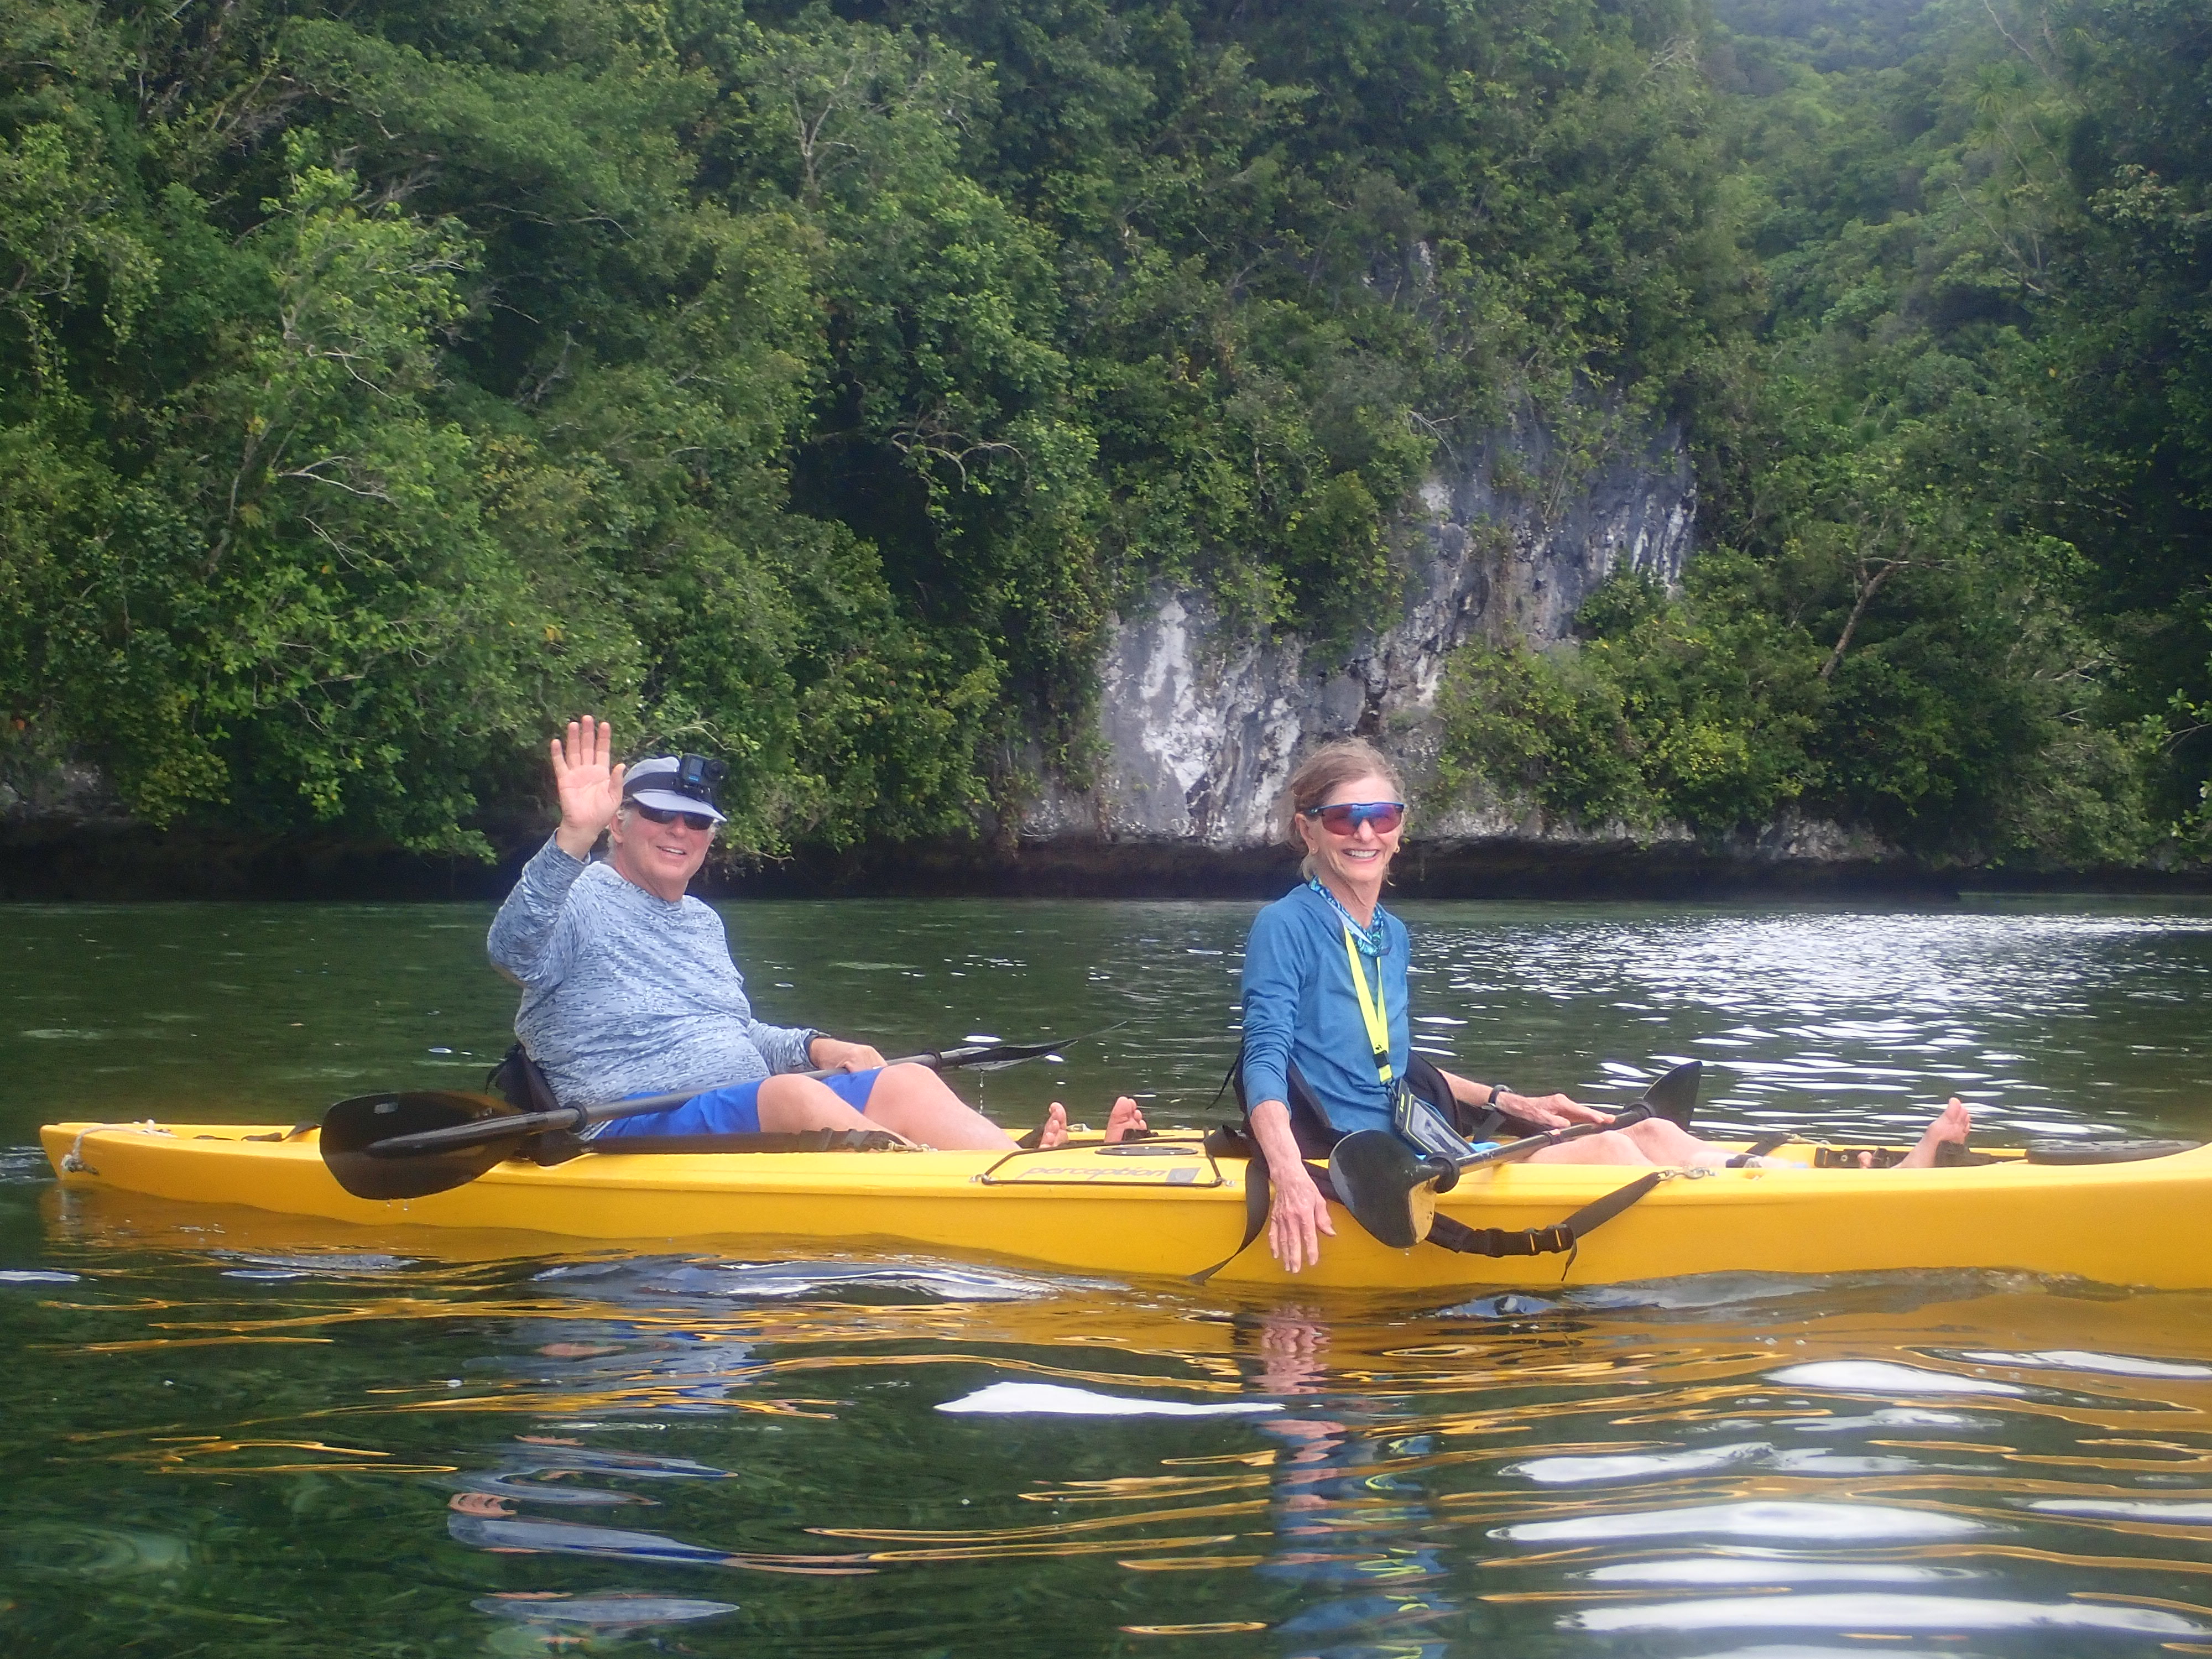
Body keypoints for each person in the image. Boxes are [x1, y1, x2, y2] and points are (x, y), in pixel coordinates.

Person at [1241, 738, 1973, 1272]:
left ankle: (1872, 1189)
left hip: (1422, 1140)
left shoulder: (1388, 933)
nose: (1366, 833)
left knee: (1652, 1134)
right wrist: (1291, 1177)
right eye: (1343, 820)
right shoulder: (1287, 924)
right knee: (1615, 1151)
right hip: (1363, 1158)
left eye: (1382, 815)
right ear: (1307, 830)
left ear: (1399, 826)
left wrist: (1518, 1101)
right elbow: (1265, 1064)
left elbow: (1388, 1063)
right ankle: (1798, 1215)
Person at [488, 716, 1142, 1150]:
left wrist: (818, 1045)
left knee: (905, 1081)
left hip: (743, 1101)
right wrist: (570, 838)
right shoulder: (575, 894)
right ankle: (949, 1186)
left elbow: (730, 1031)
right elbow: (510, 951)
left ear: (712, 836)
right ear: (619, 824)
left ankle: (1024, 1168)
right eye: (660, 814)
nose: (679, 832)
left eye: (697, 822)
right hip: (627, 1118)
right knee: (797, 1096)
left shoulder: (701, 922)